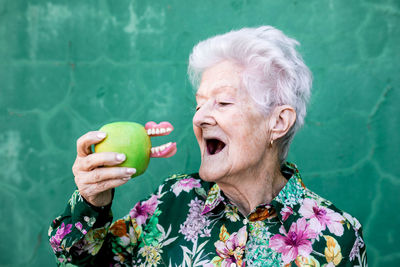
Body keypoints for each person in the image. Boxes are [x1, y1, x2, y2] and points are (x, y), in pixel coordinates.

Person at [49, 26, 367, 266]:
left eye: (223, 102)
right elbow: (84, 261)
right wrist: (91, 202)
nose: (200, 117)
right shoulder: (171, 201)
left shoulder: (338, 235)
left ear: (278, 122)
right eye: (199, 104)